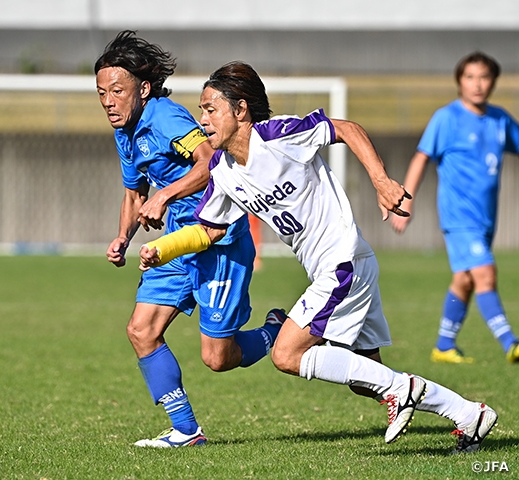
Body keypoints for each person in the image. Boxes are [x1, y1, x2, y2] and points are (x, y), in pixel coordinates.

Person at [139, 61, 498, 453]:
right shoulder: (223, 171)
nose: (202, 118)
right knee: (367, 378)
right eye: (201, 110)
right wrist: (164, 248)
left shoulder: (277, 136)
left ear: (240, 110)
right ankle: (470, 414)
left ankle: (404, 390)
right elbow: (210, 229)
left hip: (342, 262)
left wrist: (381, 181)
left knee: (287, 354)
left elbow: (347, 129)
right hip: (343, 267)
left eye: (210, 108)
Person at [95, 32, 286, 448]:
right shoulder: (124, 132)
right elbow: (133, 192)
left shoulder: (167, 119)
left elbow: (211, 161)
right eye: (101, 92)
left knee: (218, 358)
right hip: (176, 244)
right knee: (141, 330)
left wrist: (165, 194)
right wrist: (123, 236)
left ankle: (276, 331)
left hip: (216, 237)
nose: (108, 100)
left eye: (117, 90)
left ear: (143, 89)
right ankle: (185, 430)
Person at [391, 52, 519, 365]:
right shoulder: (446, 118)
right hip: (459, 217)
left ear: (493, 82)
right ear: (459, 82)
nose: (477, 84)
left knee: (465, 279)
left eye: (484, 77)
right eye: (470, 77)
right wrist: (406, 198)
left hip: (486, 218)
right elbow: (421, 157)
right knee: (485, 274)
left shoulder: (500, 119)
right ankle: (511, 343)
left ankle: (444, 345)